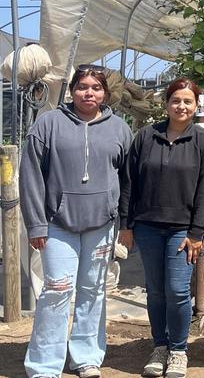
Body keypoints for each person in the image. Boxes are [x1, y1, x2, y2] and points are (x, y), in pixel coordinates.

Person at [20, 65, 133, 378]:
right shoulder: (48, 124)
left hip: (102, 226)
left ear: (105, 94)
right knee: (56, 290)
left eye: (96, 88)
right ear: (72, 91)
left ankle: (86, 357)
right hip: (58, 225)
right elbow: (31, 176)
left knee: (93, 291)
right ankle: (44, 365)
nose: (89, 93)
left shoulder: (119, 129)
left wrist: (124, 222)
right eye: (82, 87)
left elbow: (128, 180)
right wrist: (36, 224)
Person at [118, 78, 204, 378]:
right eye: (176, 100)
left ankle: (178, 350)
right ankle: (159, 346)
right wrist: (126, 224)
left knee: (177, 290)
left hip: (182, 230)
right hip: (147, 226)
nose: (181, 106)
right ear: (166, 104)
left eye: (188, 101)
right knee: (155, 291)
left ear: (196, 106)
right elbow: (129, 182)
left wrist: (197, 232)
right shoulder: (147, 136)